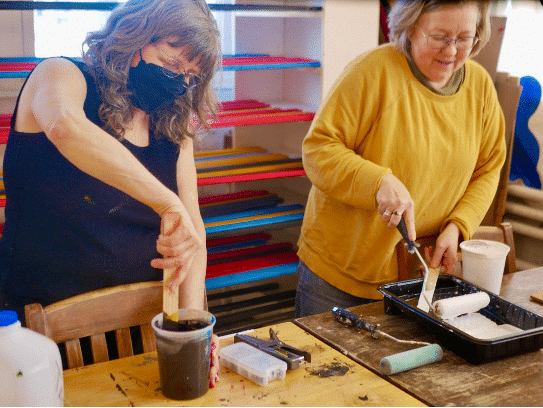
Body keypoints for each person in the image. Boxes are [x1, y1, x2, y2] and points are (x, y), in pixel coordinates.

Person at [0, 0, 221, 385]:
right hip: (37, 339)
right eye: (171, 65)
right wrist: (164, 200)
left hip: (141, 333)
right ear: (134, 34)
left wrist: (192, 332)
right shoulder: (61, 74)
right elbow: (65, 126)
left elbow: (193, 235)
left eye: (188, 76)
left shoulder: (172, 123)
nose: (178, 82)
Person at [295, 0, 506, 317]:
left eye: (464, 38)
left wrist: (458, 226)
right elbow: (318, 150)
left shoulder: (479, 86)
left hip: (419, 277)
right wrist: (378, 181)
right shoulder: (371, 71)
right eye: (439, 36)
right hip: (341, 276)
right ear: (410, 27)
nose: (451, 51)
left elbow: (488, 168)